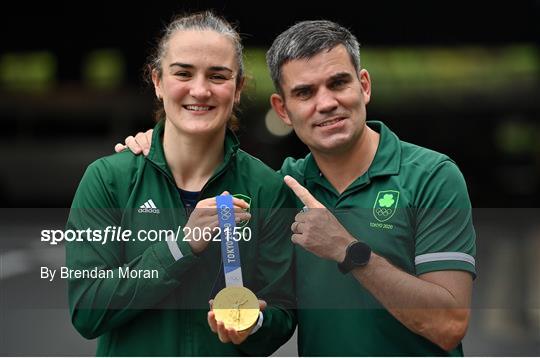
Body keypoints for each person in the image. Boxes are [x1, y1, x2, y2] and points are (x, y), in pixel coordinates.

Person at [118, 20, 477, 356]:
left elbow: (448, 324)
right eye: (304, 93)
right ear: (283, 110)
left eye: (338, 83)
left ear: (363, 85)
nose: (326, 103)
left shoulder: (432, 176)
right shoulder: (281, 189)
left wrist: (348, 251)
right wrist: (157, 149)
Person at [66, 11, 296, 356]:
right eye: (183, 73)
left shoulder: (268, 188)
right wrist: (181, 246)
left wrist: (255, 325)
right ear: (158, 81)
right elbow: (87, 310)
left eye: (218, 76)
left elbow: (282, 313)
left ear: (238, 89)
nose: (200, 90)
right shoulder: (108, 180)